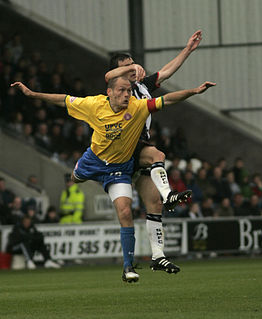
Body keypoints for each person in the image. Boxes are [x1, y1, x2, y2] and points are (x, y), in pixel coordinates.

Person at [11, 77, 216, 283]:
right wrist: (32, 94)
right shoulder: (94, 105)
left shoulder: (138, 107)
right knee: (76, 178)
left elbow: (168, 100)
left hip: (119, 169)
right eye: (122, 90)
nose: (127, 94)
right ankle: (77, 172)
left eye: (128, 90)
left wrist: (194, 91)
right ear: (109, 92)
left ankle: (128, 267)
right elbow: (63, 100)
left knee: (125, 211)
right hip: (93, 161)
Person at [105, 31, 202, 276]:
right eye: (124, 68)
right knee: (157, 155)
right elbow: (110, 76)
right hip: (123, 149)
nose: (130, 70)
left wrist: (188, 49)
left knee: (154, 203)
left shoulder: (142, 86)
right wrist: (132, 68)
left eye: (131, 65)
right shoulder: (116, 93)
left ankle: (158, 256)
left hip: (139, 147)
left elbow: (167, 71)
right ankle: (169, 194)